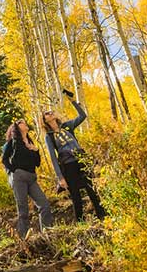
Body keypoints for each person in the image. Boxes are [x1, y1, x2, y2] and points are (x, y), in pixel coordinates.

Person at [42, 89, 106, 222]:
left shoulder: (67, 126)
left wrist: (72, 101)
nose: (50, 113)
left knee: (91, 188)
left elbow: (82, 116)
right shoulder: (49, 137)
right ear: (45, 120)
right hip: (68, 165)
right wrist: (60, 177)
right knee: (75, 195)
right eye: (46, 113)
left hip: (81, 160)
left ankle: (102, 216)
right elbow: (53, 158)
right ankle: (81, 221)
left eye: (51, 111)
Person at [1, 119, 54, 239]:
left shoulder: (30, 142)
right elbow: (4, 159)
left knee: (44, 204)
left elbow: (37, 163)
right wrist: (14, 171)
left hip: (31, 177)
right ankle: (24, 238)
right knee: (23, 209)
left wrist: (36, 150)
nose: (25, 123)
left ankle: (47, 233)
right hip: (19, 177)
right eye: (22, 122)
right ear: (17, 127)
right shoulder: (13, 142)